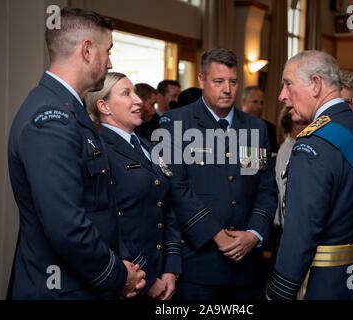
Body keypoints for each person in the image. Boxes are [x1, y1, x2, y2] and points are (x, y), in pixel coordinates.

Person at [7, 8, 145, 299]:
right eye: (107, 51)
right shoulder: (51, 118)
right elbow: (65, 225)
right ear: (87, 50)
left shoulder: (68, 109)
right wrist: (117, 276)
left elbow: (99, 207)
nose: (109, 62)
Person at [266, 50, 353, 300]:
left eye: (288, 84)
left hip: (325, 284)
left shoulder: (311, 145)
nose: (282, 95)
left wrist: (278, 294)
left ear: (315, 84)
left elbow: (298, 239)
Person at [158, 48, 278, 300]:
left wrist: (254, 234)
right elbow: (176, 188)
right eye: (219, 81)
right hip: (198, 266)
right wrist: (217, 235)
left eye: (233, 82)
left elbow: (264, 188)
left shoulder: (255, 128)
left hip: (247, 268)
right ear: (201, 80)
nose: (227, 89)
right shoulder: (176, 123)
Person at [85, 72, 181, 300]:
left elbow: (168, 209)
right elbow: (109, 222)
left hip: (164, 273)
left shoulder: (147, 146)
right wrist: (147, 277)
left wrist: (171, 269)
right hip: (129, 279)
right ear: (104, 106)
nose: (138, 100)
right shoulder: (100, 150)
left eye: (135, 93)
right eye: (126, 93)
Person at [241, 86, 279, 153]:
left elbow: (273, 154)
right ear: (244, 102)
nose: (259, 106)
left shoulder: (268, 127)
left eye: (262, 102)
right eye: (255, 102)